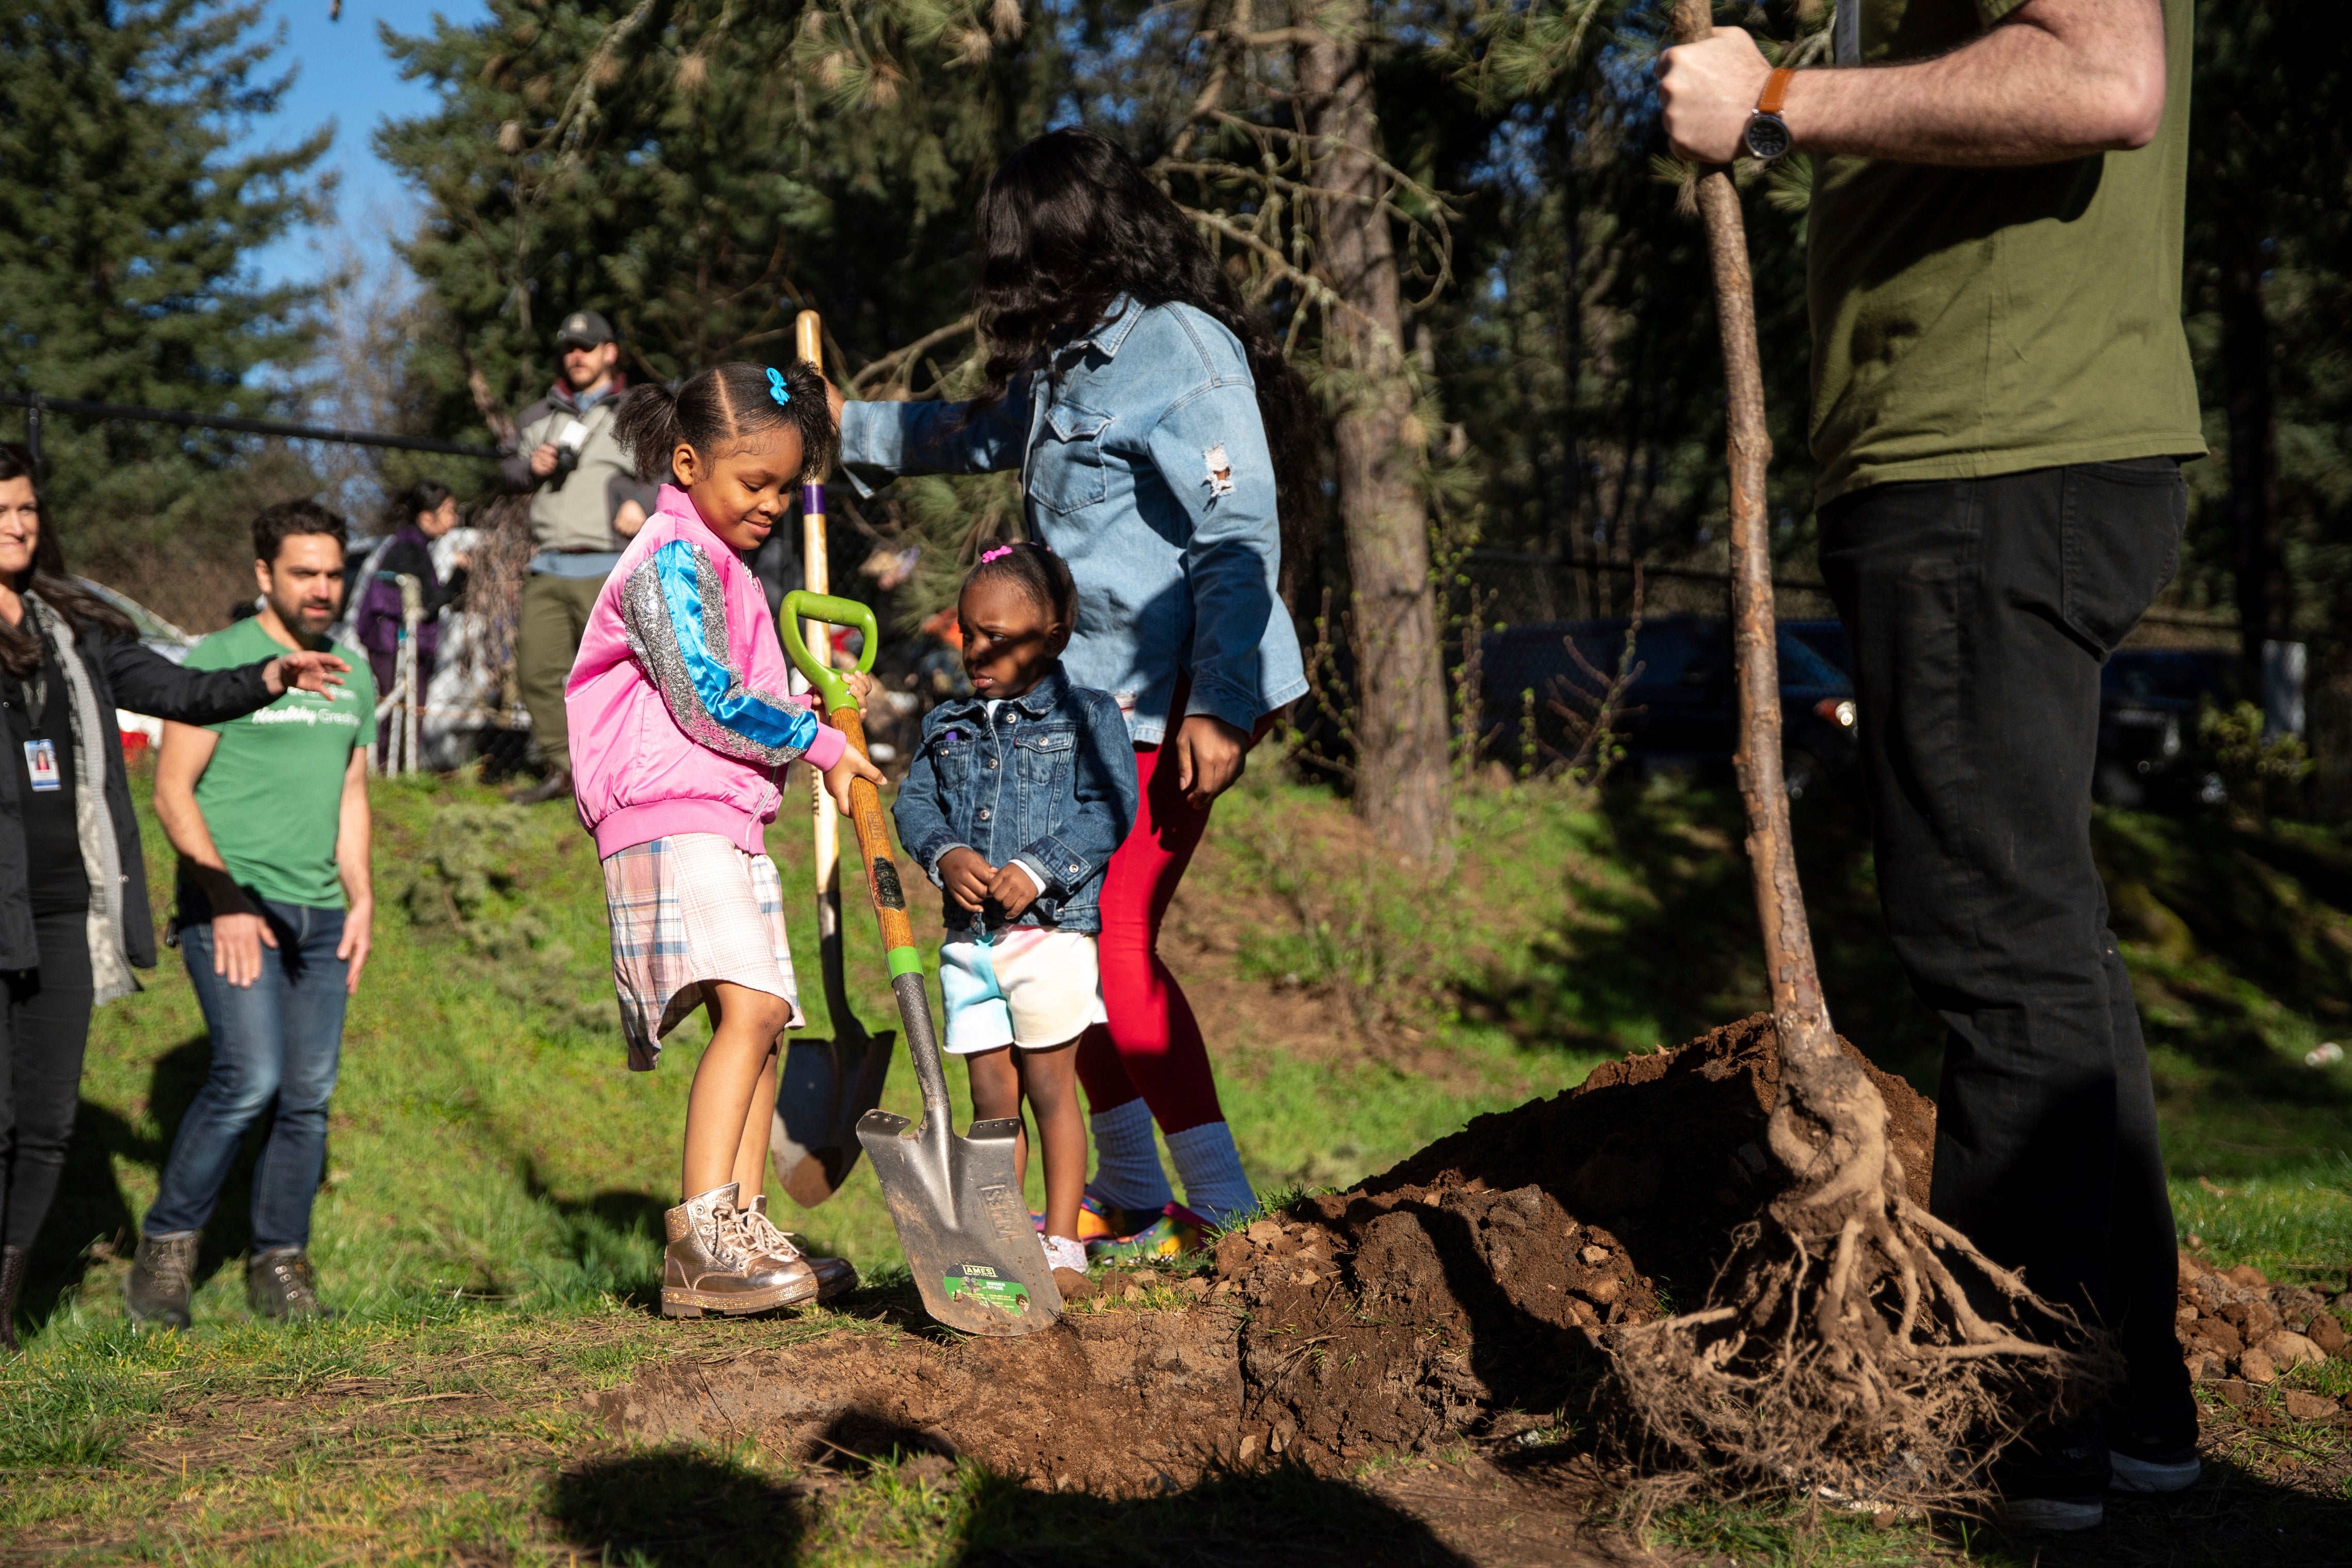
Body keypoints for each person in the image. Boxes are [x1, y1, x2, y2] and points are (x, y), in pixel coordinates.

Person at [1660, 0, 2203, 1530]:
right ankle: (2118, 1403)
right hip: (1997, 452)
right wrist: (1773, 109)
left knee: (1993, 940)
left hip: (1990, 459)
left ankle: (2011, 1426)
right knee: (2045, 946)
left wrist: (1772, 92)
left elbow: (2102, 80)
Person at [834, 127, 1312, 1255]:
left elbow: (1239, 534)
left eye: (1023, 255)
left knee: (1113, 948)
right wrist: (839, 429)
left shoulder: (1183, 351)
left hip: (1169, 702)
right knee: (1057, 942)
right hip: (1079, 710)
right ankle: (1137, 1195)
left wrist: (1222, 702)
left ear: (1080, 240)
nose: (1011, 281)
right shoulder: (1064, 353)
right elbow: (980, 431)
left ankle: (1227, 1211)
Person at [0, 451, 346, 1350]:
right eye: (2, 509)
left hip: (68, 904)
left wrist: (265, 679)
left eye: (29, 507)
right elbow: (173, 784)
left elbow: (178, 692)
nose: (19, 524)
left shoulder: (75, 625)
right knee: (7, 1118)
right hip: (44, 906)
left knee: (44, 1126)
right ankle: (127, 1265)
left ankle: (6, 1312)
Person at [571, 361, 884, 1318]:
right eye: (756, 484)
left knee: (763, 1026)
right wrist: (821, 741)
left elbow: (732, 698)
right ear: (687, 461)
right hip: (666, 815)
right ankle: (703, 1240)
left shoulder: (722, 567)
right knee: (750, 1009)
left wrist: (809, 703)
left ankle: (744, 1230)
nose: (775, 504)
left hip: (720, 813)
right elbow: (705, 701)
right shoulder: (668, 557)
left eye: (788, 488)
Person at [126, 500, 379, 1328]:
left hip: (320, 917)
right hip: (229, 910)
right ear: (264, 575)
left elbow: (348, 790)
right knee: (249, 1081)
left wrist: (363, 895)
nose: (322, 589)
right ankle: (165, 1255)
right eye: (304, 572)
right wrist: (225, 902)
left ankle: (280, 1265)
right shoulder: (221, 659)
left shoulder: (355, 670)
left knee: (308, 1094)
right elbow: (172, 794)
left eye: (334, 573)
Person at [885, 542, 1138, 1280]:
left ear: (1054, 639)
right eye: (968, 632)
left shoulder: (1088, 718)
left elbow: (1111, 808)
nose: (976, 650)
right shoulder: (948, 725)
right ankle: (1003, 1233)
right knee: (991, 1093)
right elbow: (916, 802)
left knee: (1051, 1085)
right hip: (972, 945)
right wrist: (944, 855)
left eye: (997, 637)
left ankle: (1062, 1240)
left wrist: (1039, 868)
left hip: (1051, 938)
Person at [500, 309, 657, 805]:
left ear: (611, 353)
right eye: (569, 347)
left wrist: (643, 502)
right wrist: (529, 466)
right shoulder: (536, 417)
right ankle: (566, 772)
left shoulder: (635, 410)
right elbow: (505, 467)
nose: (576, 356)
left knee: (618, 675)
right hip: (547, 563)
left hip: (610, 565)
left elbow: (671, 468)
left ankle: (622, 774)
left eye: (587, 347)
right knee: (537, 671)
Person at [353, 480, 470, 757]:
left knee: (404, 711)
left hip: (396, 641)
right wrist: (459, 575)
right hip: (394, 642)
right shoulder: (409, 549)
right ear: (427, 516)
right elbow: (426, 607)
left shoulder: (414, 545)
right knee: (400, 710)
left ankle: (399, 770)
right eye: (449, 510)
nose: (454, 518)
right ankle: (388, 769)